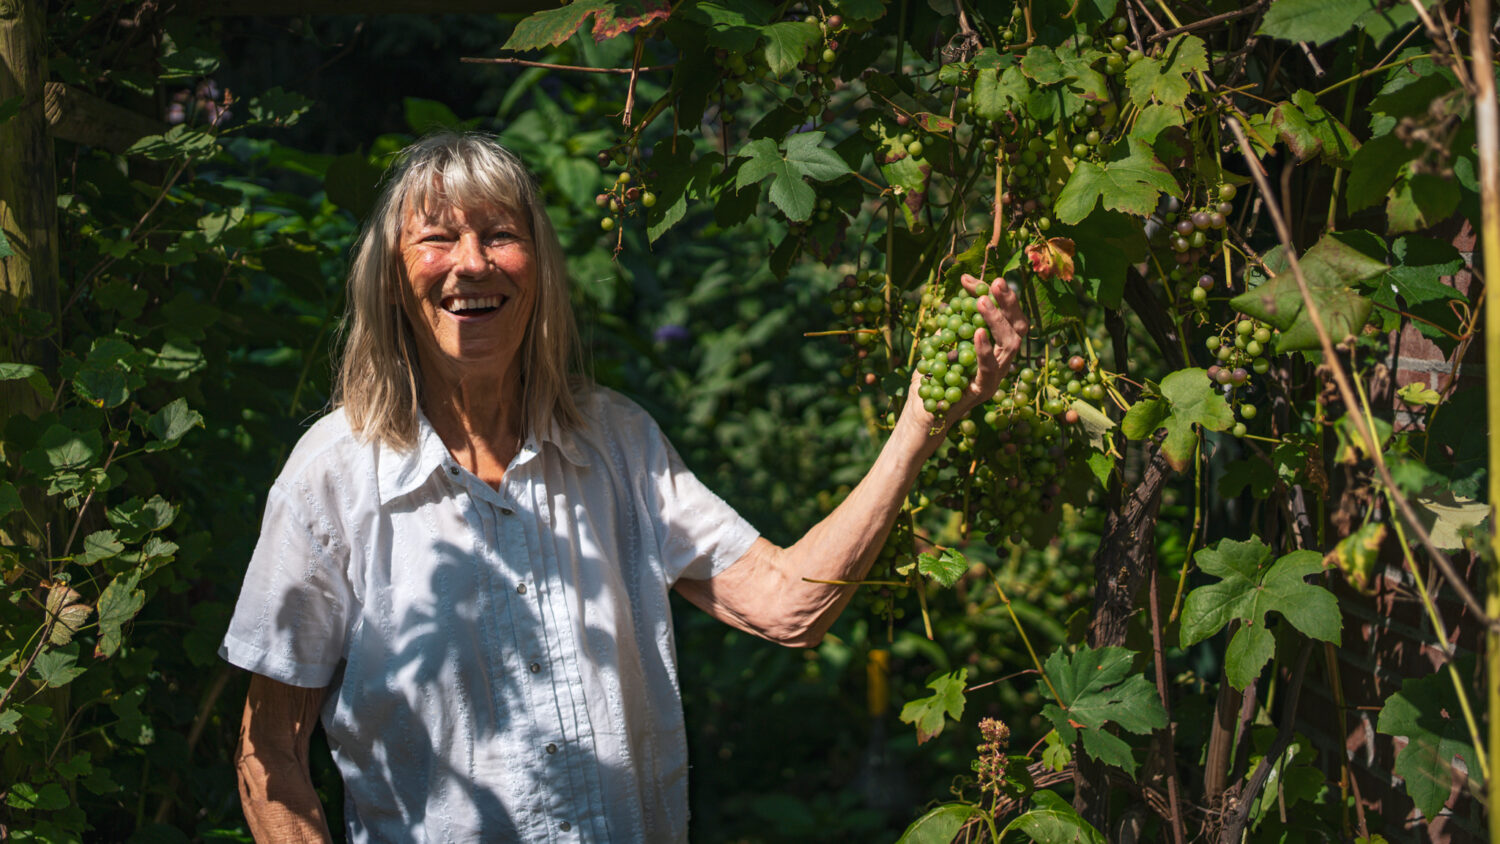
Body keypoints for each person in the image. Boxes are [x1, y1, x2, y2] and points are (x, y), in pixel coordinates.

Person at [222, 132, 1027, 843]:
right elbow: (270, 755)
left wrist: (922, 423)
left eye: (502, 235)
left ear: (538, 270)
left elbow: (791, 606)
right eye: (438, 239)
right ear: (393, 279)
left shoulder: (615, 443)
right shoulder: (333, 476)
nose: (472, 263)